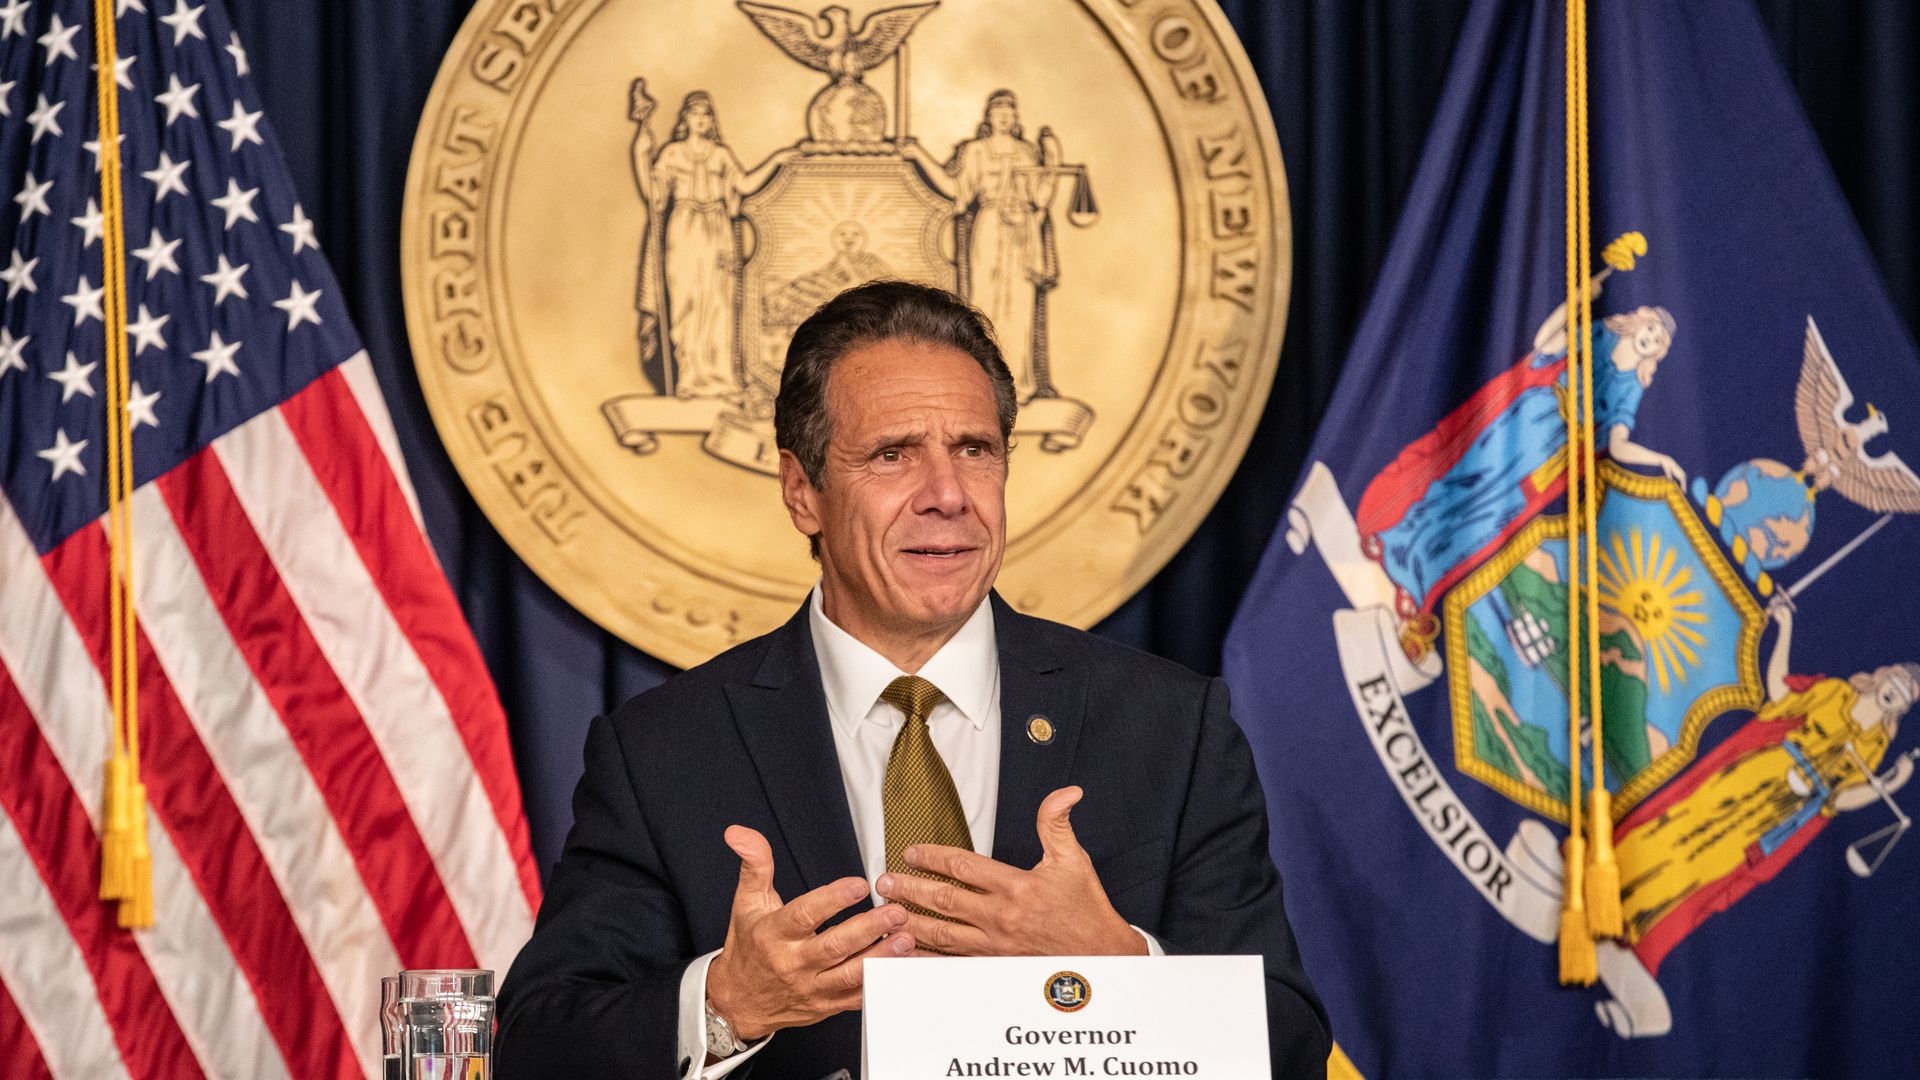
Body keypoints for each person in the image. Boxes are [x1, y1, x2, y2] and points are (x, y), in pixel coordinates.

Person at [495, 281, 1329, 1078]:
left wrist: (1117, 966)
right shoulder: (666, 749)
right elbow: (541, 1046)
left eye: (975, 450)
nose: (948, 495)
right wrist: (727, 1004)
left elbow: (1290, 1042)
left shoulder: (1169, 726)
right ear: (802, 492)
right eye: (892, 455)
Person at [1354, 271, 1682, 659]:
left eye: (1657, 340)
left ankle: (1417, 580)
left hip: (1548, 453)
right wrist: (1578, 300)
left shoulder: (1630, 387)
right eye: (1651, 328)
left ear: (1657, 354)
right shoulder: (1600, 336)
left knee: (1486, 516)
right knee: (1462, 479)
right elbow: (1545, 342)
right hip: (1527, 416)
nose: (1650, 338)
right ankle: (1395, 539)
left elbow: (1618, 445)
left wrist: (1659, 458)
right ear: (1638, 321)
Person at [1613, 594, 1916, 973]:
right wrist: (1785, 629)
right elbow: (1781, 694)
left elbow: (1840, 799)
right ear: (1884, 675)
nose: (1895, 693)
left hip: (1787, 808)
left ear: (1902, 709)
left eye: (1904, 696)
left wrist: (1888, 785)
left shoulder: (1876, 745)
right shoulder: (1838, 693)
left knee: (1714, 861)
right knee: (1686, 820)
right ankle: (1614, 873)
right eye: (1897, 683)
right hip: (1765, 769)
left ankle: (1636, 917)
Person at [632, 90, 789, 398]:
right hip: (684, 230)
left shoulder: (720, 155)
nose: (701, 120)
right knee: (685, 304)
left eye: (706, 114)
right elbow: (654, 195)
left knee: (720, 305)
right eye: (695, 114)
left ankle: (721, 378)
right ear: (685, 119)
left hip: (718, 231)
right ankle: (689, 378)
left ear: (712, 120)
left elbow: (744, 184)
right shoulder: (672, 154)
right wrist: (641, 152)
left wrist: (776, 160)